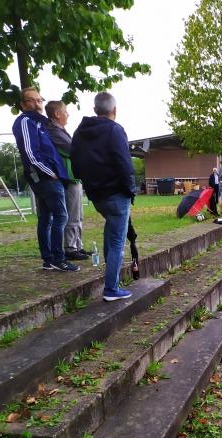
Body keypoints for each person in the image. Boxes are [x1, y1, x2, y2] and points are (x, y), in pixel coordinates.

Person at [71, 92, 135, 301]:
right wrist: (130, 190)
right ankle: (111, 288)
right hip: (117, 194)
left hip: (96, 195)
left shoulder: (80, 133)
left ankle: (112, 282)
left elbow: (76, 167)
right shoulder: (115, 130)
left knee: (110, 234)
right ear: (114, 110)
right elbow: (125, 165)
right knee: (117, 242)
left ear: (95, 109)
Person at [12, 87, 80, 272]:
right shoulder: (26, 121)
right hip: (44, 177)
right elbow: (30, 153)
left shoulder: (41, 123)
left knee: (47, 218)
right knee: (61, 215)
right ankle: (59, 258)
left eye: (39, 100)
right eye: (31, 101)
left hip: (49, 175)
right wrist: (49, 172)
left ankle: (49, 259)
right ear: (23, 104)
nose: (37, 104)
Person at [45, 100, 88, 261]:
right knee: (72, 213)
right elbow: (73, 149)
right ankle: (70, 247)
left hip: (73, 176)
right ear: (57, 114)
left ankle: (78, 245)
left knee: (78, 213)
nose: (67, 114)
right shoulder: (54, 131)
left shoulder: (59, 130)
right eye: (65, 111)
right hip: (68, 177)